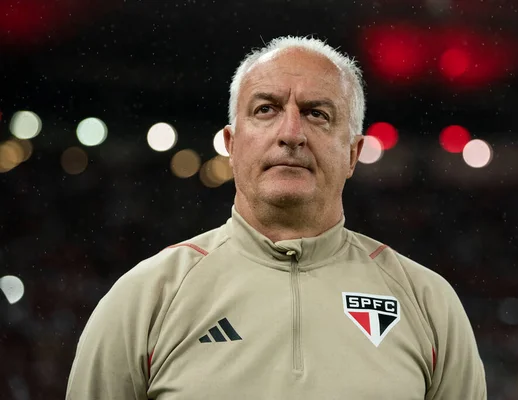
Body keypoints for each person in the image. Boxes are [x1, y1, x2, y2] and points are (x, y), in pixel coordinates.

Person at [66, 35, 487, 399]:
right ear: (232, 144)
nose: (291, 134)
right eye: (266, 109)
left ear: (353, 153)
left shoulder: (430, 304)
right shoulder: (145, 299)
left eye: (317, 113)